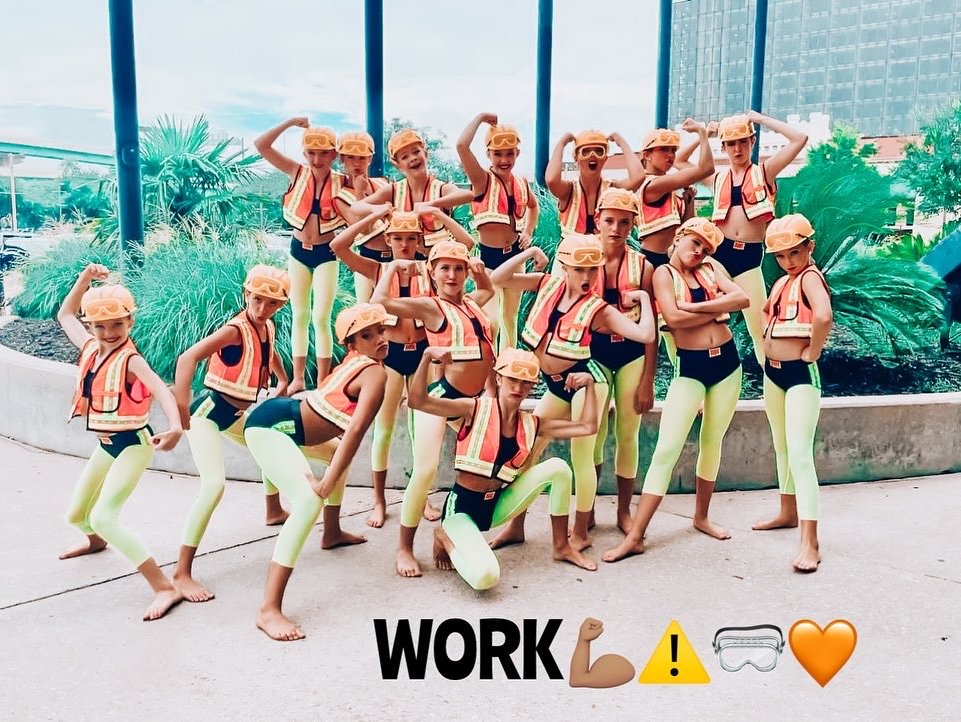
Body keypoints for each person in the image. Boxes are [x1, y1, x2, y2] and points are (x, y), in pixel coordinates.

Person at [490, 234, 655, 549]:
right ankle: (516, 526)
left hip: (585, 383)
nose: (587, 276)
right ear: (563, 268)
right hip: (555, 385)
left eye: (593, 269)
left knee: (581, 458)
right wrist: (534, 251)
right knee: (525, 451)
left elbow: (645, 333)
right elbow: (498, 278)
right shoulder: (546, 284)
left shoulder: (598, 309)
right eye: (579, 269)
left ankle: (580, 533)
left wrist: (645, 299)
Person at [603, 219, 749, 563]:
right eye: (694, 243)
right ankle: (636, 536)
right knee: (666, 450)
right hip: (692, 367)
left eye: (705, 248)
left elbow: (741, 298)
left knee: (712, 442)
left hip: (728, 365)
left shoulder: (711, 268)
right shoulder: (662, 274)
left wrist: (696, 308)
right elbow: (672, 317)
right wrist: (717, 310)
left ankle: (701, 517)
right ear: (680, 237)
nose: (698, 252)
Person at [243, 303, 389, 641]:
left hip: (287, 420)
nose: (379, 338)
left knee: (336, 455)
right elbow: (354, 431)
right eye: (367, 335)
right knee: (309, 502)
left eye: (381, 330)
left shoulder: (362, 363)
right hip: (272, 426)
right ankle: (268, 609)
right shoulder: (375, 372)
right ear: (353, 345)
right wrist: (326, 483)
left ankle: (332, 532)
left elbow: (340, 428)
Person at [408, 347, 598, 589]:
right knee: (485, 578)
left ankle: (561, 546)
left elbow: (587, 427)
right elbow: (418, 401)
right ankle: (444, 535)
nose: (518, 388)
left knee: (559, 468)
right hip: (462, 511)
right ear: (498, 378)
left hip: (498, 505)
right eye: (512, 379)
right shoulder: (473, 408)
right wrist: (426, 357)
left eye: (525, 383)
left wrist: (590, 386)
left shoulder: (532, 423)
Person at [56, 265, 185, 620]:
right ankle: (95, 541)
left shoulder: (132, 361)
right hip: (105, 445)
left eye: (117, 325)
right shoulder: (89, 349)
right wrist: (84, 278)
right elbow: (65, 313)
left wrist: (175, 427)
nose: (108, 332)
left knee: (104, 516)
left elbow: (161, 389)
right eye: (99, 325)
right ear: (90, 327)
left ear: (130, 323)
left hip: (132, 445)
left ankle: (164, 586)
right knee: (77, 515)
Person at [331, 207, 474, 527]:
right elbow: (338, 247)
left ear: (420, 240)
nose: (405, 245)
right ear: (388, 239)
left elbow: (467, 244)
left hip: (423, 354)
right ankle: (379, 501)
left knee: (417, 432)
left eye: (411, 238)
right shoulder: (378, 270)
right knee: (382, 431)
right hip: (391, 356)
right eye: (397, 238)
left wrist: (437, 212)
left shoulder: (431, 269)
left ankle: (420, 497)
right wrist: (375, 217)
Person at [370, 240, 496, 578]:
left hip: (469, 403)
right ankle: (404, 548)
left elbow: (489, 290)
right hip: (439, 397)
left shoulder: (472, 304)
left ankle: (462, 532)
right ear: (433, 273)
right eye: (445, 268)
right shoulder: (432, 307)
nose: (452, 275)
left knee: (500, 459)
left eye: (459, 268)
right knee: (425, 470)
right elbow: (379, 303)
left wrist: (481, 276)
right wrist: (393, 268)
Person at [171, 264, 292, 603]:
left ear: (280, 306)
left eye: (271, 304)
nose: (263, 308)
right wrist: (181, 408)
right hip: (208, 415)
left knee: (267, 440)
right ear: (246, 295)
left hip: (234, 415)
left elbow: (270, 353)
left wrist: (283, 379)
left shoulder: (264, 326)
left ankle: (273, 510)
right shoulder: (234, 331)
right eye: (257, 300)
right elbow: (187, 358)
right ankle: (181, 572)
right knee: (213, 486)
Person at [752, 214, 832, 572]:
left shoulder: (811, 277)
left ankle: (810, 541)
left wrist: (812, 351)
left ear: (809, 247)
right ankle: (787, 512)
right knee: (782, 446)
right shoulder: (785, 281)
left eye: (795, 252)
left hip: (800, 375)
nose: (788, 261)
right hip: (775, 375)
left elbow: (824, 316)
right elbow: (769, 317)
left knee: (800, 453)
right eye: (781, 256)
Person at [707, 111, 808, 365]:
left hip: (748, 258)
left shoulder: (764, 172)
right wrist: (702, 134)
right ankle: (701, 381)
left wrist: (761, 119)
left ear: (752, 142)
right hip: (719, 254)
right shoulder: (717, 178)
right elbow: (682, 163)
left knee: (759, 327)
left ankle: (773, 381)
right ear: (723, 147)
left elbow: (800, 138)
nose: (738, 148)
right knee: (703, 318)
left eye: (743, 141)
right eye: (731, 143)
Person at [254, 118, 347, 391]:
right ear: (304, 154)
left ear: (334, 154)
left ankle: (322, 382)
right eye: (311, 153)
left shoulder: (344, 182)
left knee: (321, 317)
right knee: (300, 315)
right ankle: (297, 379)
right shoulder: (296, 172)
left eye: (324, 153)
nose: (317, 159)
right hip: (298, 252)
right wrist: (292, 122)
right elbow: (261, 145)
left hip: (327, 253)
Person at [589, 188, 658, 533]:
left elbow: (652, 326)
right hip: (595, 353)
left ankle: (623, 511)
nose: (615, 228)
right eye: (609, 220)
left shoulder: (642, 265)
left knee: (627, 433)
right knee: (594, 434)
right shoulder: (581, 257)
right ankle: (586, 508)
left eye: (624, 223)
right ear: (597, 220)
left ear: (633, 226)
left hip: (631, 353)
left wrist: (648, 379)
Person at [456, 113, 540, 349]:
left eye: (509, 153)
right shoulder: (482, 180)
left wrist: (529, 232)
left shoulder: (521, 182)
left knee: (510, 319)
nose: (504, 159)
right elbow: (462, 146)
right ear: (488, 155)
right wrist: (481, 117)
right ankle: (488, 374)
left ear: (517, 153)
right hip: (489, 260)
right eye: (498, 154)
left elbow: (534, 207)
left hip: (514, 256)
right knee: (490, 320)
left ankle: (509, 371)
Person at [352, 127, 473, 251]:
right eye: (405, 157)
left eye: (416, 152)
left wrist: (431, 205)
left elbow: (468, 195)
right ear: (398, 165)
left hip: (438, 263)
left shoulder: (441, 188)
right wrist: (376, 208)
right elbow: (356, 207)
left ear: (426, 154)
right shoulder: (393, 190)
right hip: (406, 263)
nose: (413, 158)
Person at [636, 120, 714, 269]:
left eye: (673, 150)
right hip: (651, 260)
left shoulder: (668, 188)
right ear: (647, 155)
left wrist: (689, 202)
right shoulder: (653, 184)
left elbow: (685, 229)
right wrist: (703, 133)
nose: (670, 155)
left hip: (670, 259)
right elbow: (707, 168)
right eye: (664, 149)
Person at [546, 130, 644, 237]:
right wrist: (561, 144)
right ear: (576, 158)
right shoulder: (569, 190)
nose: (592, 156)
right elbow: (551, 180)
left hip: (603, 252)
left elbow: (638, 177)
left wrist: (621, 142)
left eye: (599, 151)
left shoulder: (611, 190)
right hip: (572, 251)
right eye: (585, 152)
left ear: (605, 158)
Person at [332, 131, 391, 303]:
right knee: (366, 310)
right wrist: (359, 193)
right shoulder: (341, 197)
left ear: (370, 159)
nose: (357, 163)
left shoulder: (383, 184)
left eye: (362, 158)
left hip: (394, 254)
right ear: (342, 159)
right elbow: (363, 229)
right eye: (351, 157)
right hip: (366, 258)